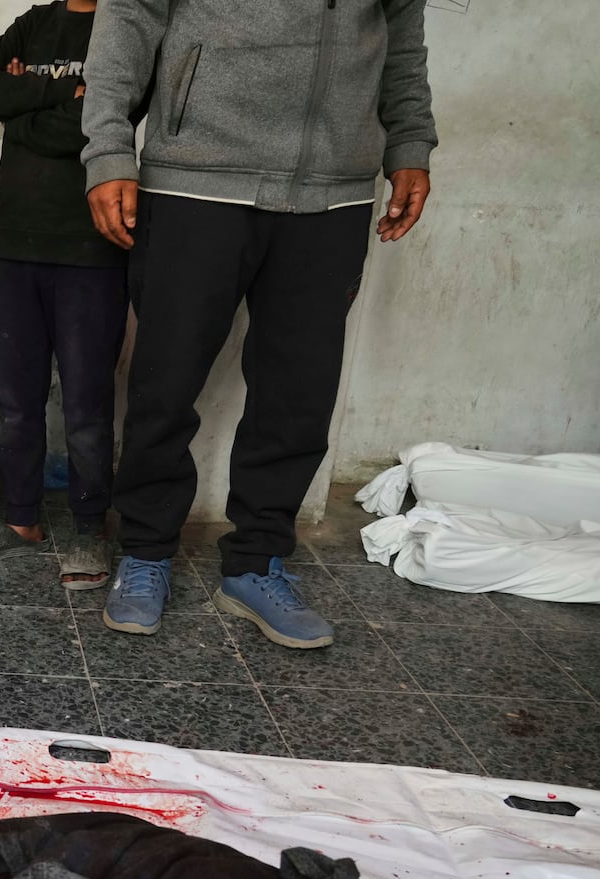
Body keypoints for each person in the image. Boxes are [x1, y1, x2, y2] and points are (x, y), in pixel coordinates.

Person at [81, 0, 436, 648]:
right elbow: (130, 13)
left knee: (299, 394)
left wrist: (411, 138)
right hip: (197, 178)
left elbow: (402, 28)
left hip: (335, 189)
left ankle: (256, 563)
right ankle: (146, 550)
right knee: (165, 381)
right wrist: (107, 149)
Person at [0, 0, 144, 589]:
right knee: (14, 397)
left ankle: (91, 531)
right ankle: (20, 522)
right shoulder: (35, 22)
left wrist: (26, 99)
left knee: (87, 401)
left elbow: (99, 125)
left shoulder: (128, 25)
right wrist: (62, 92)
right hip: (14, 245)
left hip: (93, 248)